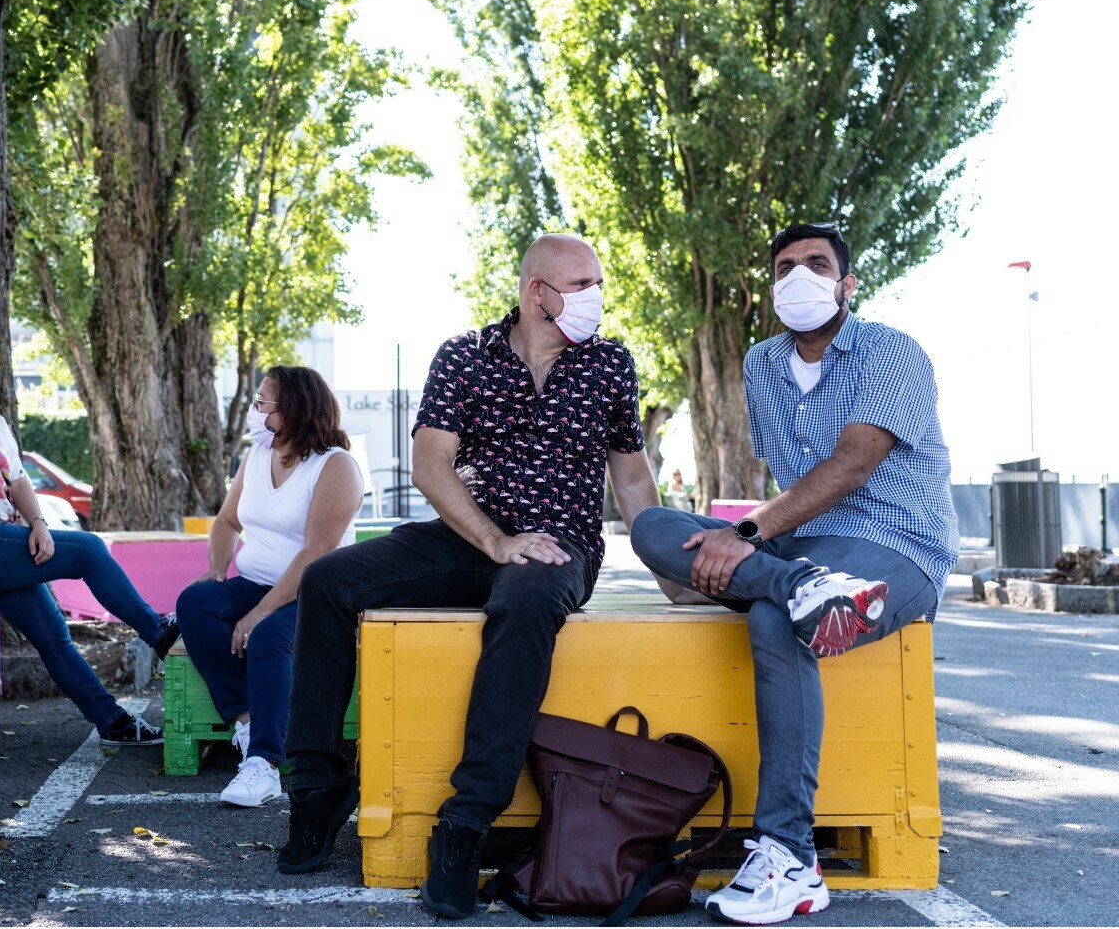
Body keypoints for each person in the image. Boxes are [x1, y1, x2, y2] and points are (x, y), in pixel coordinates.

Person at [277, 234, 662, 919]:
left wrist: (672, 568)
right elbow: (432, 464)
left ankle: (464, 825)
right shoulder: (465, 355)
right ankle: (315, 784)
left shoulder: (609, 364)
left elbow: (629, 475)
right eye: (580, 284)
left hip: (557, 547)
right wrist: (493, 538)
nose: (594, 297)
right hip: (468, 536)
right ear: (536, 290)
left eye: (597, 283)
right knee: (329, 582)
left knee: (526, 599)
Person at [631, 223, 958, 925]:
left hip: (897, 546)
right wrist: (755, 551)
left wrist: (745, 536)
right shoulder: (759, 363)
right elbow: (790, 481)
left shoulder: (890, 351)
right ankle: (801, 589)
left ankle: (788, 857)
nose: (799, 276)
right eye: (785, 267)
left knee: (778, 622)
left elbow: (850, 466)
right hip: (803, 553)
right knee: (655, 528)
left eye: (817, 264)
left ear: (847, 284)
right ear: (771, 287)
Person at [0, 333, 177, 746]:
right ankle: (159, 634)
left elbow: (20, 481)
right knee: (90, 550)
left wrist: (39, 524)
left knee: (53, 639)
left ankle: (113, 723)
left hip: (6, 541)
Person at [175, 366, 364, 808]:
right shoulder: (258, 454)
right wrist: (218, 570)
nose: (255, 411)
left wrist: (259, 613)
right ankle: (245, 719)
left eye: (263, 404)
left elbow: (317, 553)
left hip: (318, 591)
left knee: (266, 636)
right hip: (256, 581)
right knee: (196, 602)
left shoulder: (337, 467)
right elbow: (226, 520)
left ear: (294, 409)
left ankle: (264, 764)